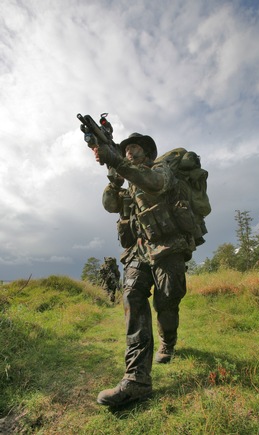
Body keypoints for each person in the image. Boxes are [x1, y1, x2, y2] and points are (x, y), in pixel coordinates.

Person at [92, 133, 196, 407]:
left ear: (147, 152)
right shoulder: (127, 184)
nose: (128, 152)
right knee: (132, 296)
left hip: (169, 247)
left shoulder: (161, 170)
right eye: (124, 150)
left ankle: (168, 341)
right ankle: (136, 379)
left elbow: (154, 183)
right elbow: (109, 206)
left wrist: (117, 160)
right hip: (139, 251)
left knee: (166, 302)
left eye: (133, 147)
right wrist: (114, 175)